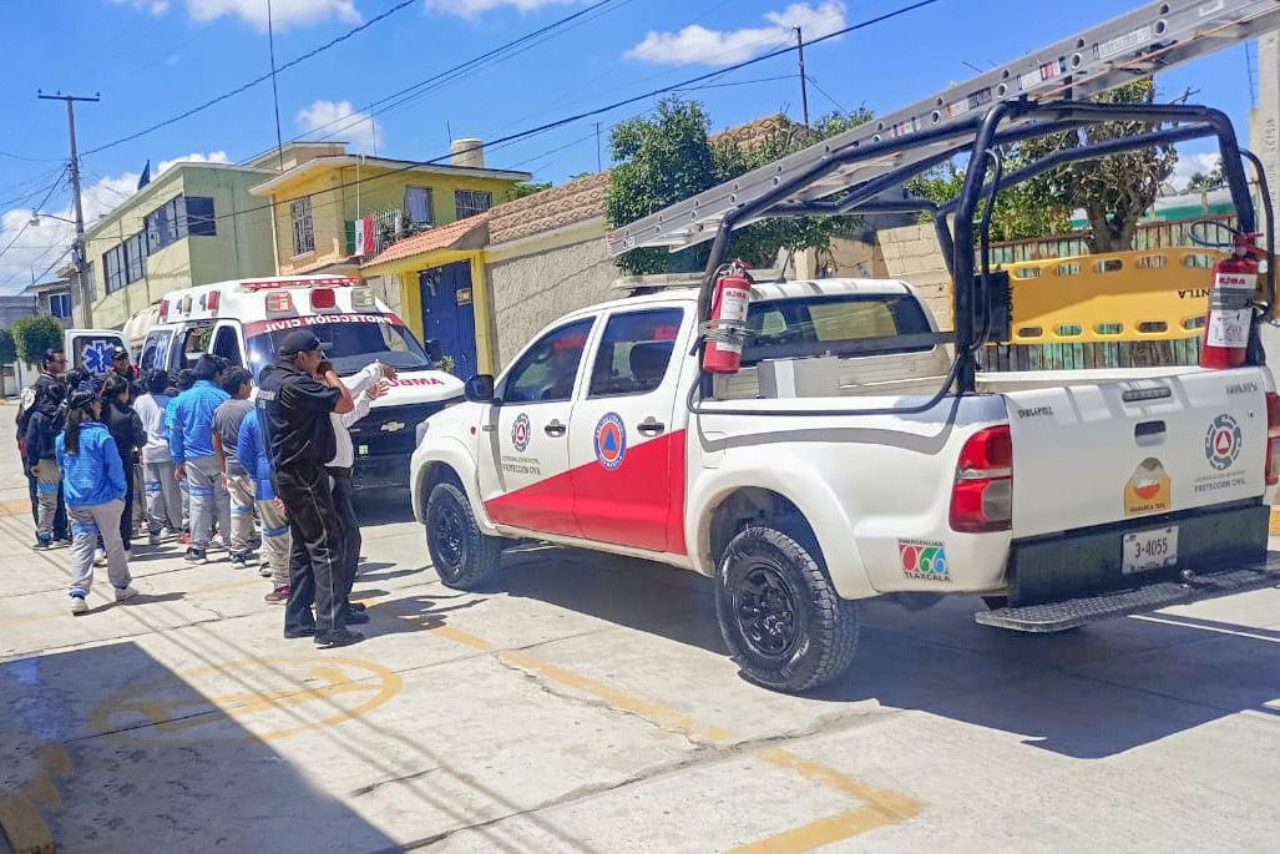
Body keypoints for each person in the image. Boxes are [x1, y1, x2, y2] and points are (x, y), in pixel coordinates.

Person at [257, 330, 358, 648]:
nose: (321, 360)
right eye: (316, 355)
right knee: (327, 545)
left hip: (285, 472)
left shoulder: (271, 382)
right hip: (303, 474)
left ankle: (299, 618)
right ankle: (330, 626)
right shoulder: (297, 384)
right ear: (301, 358)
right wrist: (328, 373)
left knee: (303, 547)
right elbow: (344, 403)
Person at [57, 388, 137, 615]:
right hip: (105, 499)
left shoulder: (63, 438)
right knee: (113, 542)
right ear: (90, 407)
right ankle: (121, 586)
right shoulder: (101, 436)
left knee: (82, 545)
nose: (101, 406)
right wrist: (120, 492)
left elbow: (64, 469)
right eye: (97, 403)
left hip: (76, 499)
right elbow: (115, 469)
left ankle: (78, 594)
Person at [326, 360, 394, 622]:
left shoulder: (329, 402)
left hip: (341, 476)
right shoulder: (319, 393)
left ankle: (342, 600)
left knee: (348, 540)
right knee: (345, 539)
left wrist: (367, 396)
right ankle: (336, 606)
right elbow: (350, 388)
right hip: (330, 476)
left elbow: (347, 417)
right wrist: (376, 368)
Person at [169, 355, 231, 564]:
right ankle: (232, 544)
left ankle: (198, 548)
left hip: (193, 459)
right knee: (224, 500)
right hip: (220, 457)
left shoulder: (181, 399)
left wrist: (178, 461)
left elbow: (175, 433)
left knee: (199, 502)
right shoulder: (223, 397)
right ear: (216, 375)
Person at [238, 408, 292, 603]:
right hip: (298, 480)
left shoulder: (251, 417)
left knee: (274, 535)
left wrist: (257, 476)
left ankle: (283, 584)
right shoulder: (293, 410)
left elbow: (243, 455)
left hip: (266, 484)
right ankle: (305, 581)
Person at [16, 349, 68, 540]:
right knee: (41, 494)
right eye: (59, 361)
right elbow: (23, 423)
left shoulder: (61, 385)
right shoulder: (36, 389)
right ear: (47, 363)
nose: (63, 365)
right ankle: (46, 532)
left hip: (55, 451)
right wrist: (30, 457)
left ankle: (59, 530)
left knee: (56, 493)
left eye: (64, 361)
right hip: (39, 450)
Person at [212, 368, 256, 567]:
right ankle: (266, 557)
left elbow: (217, 442)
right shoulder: (250, 409)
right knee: (262, 512)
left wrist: (223, 469)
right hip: (251, 469)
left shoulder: (219, 410)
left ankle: (237, 551)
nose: (251, 387)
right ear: (241, 387)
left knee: (238, 509)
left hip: (231, 468)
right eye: (249, 384)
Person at [101, 374, 147, 554]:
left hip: (101, 463)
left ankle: (102, 542)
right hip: (123, 461)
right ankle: (124, 541)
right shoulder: (128, 413)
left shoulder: (99, 411)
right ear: (123, 392)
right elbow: (140, 439)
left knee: (103, 501)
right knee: (124, 501)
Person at [135, 369, 181, 545]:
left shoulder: (140, 401)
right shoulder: (170, 402)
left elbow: (138, 427)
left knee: (152, 492)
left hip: (147, 451)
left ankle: (155, 529)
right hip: (166, 451)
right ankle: (175, 525)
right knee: (171, 492)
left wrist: (139, 451)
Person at [23, 381, 66, 549]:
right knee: (64, 499)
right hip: (63, 460)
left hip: (45, 463)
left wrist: (32, 463)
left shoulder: (37, 416)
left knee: (46, 502)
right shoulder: (64, 412)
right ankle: (63, 534)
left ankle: (44, 537)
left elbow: (30, 441)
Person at [166, 369, 197, 541]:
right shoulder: (201, 397)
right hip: (204, 452)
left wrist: (177, 460)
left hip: (185, 454)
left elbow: (171, 432)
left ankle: (189, 530)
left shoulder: (175, 403)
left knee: (188, 495)